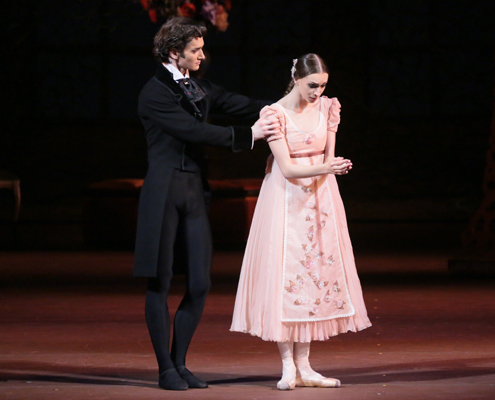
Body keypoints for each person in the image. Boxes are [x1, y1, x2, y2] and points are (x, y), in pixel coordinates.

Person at [133, 17, 279, 391]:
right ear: (173, 53)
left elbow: (241, 104)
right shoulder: (154, 93)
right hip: (164, 190)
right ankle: (165, 368)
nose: (202, 55)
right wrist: (248, 136)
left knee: (199, 282)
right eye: (195, 50)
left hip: (194, 191)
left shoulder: (198, 85)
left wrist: (292, 104)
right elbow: (192, 130)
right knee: (160, 281)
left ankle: (180, 363)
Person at [230, 54, 372, 390]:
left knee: (314, 276)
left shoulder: (327, 108)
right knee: (286, 275)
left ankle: (306, 366)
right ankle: (287, 366)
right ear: (296, 79)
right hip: (285, 198)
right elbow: (289, 168)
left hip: (321, 198)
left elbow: (328, 156)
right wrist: (327, 169)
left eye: (323, 85)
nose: (318, 91)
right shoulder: (275, 115)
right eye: (312, 85)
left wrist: (332, 168)